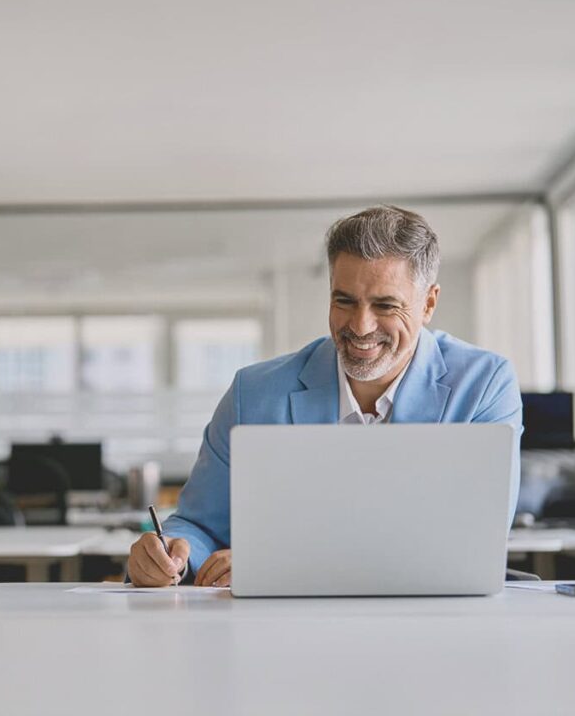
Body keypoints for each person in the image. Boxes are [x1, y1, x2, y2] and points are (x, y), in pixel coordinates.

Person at [127, 205, 521, 587]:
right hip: (285, 624)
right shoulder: (255, 394)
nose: (361, 326)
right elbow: (197, 525)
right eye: (344, 300)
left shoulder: (483, 385)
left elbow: (475, 537)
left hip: (432, 616)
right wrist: (171, 555)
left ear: (428, 303)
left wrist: (275, 563)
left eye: (385, 305)